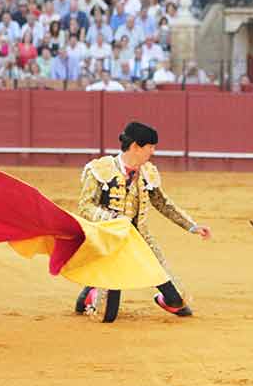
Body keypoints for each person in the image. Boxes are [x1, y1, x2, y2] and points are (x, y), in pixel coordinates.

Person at [75, 122, 212, 321]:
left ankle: (94, 286)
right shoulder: (100, 169)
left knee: (178, 301)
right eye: (150, 146)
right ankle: (90, 292)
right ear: (136, 147)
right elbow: (85, 206)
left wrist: (191, 226)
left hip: (141, 241)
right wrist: (114, 220)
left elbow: (163, 203)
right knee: (106, 315)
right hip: (111, 243)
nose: (153, 151)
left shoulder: (147, 172)